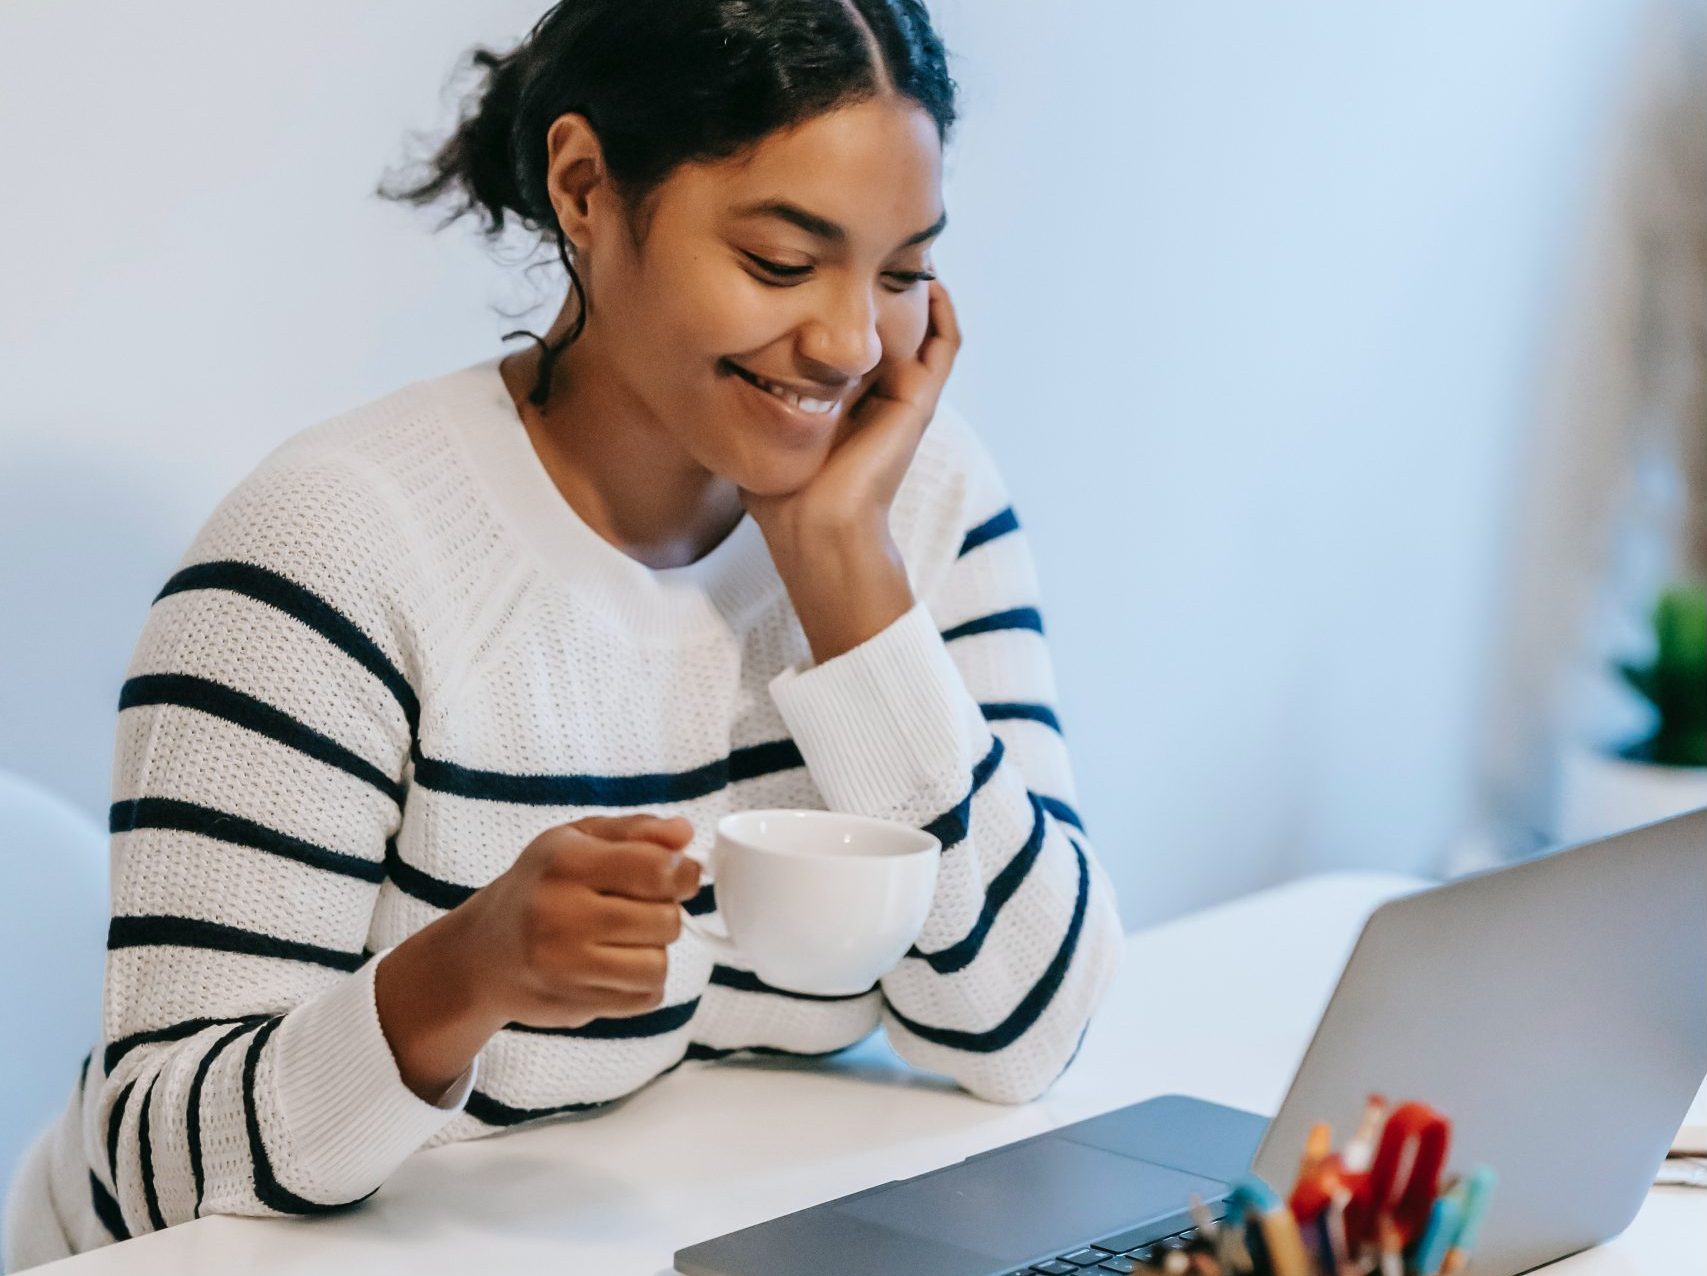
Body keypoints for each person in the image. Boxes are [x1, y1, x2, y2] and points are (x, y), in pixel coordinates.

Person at [1, 0, 1124, 1267]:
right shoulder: (330, 552)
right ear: (585, 188)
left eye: (904, 273)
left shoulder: (910, 496)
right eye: (778, 262)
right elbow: (158, 1172)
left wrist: (844, 575)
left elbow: (1030, 1031)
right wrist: (460, 975)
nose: (853, 343)